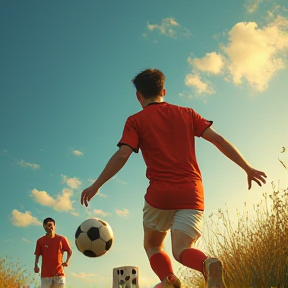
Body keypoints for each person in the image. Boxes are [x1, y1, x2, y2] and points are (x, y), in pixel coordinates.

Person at [80, 69, 267, 288]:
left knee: (153, 245)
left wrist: (97, 185)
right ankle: (208, 263)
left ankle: (168, 278)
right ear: (164, 91)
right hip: (192, 192)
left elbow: (123, 155)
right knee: (182, 249)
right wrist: (247, 167)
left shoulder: (135, 121)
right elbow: (219, 140)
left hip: (160, 196)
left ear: (138, 95)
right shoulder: (187, 113)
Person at [34, 217, 72, 288]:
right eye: (46, 226)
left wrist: (67, 261)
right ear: (44, 227)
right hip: (45, 275)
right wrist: (36, 265)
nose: (49, 227)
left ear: (54, 226)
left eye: (50, 225)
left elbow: (69, 251)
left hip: (59, 274)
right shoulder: (40, 241)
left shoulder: (61, 239)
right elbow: (37, 254)